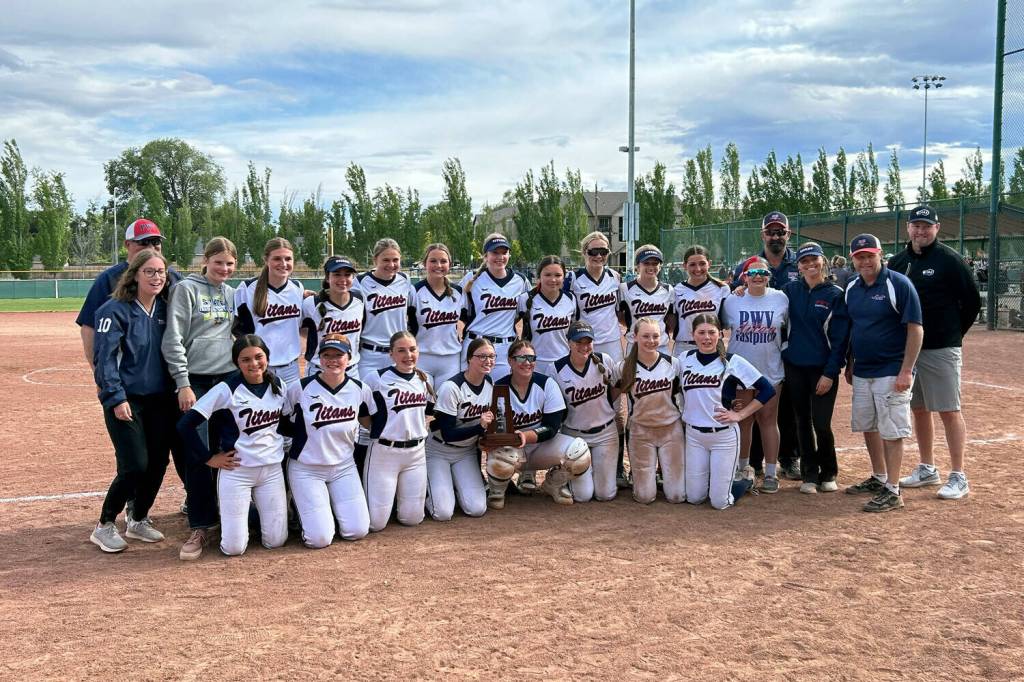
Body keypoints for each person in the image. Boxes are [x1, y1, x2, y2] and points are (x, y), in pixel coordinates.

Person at [78, 218, 185, 515]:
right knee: (133, 460)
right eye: (143, 243)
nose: (150, 247)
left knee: (159, 457)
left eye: (155, 243)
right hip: (126, 388)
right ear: (128, 246)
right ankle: (111, 519)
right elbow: (91, 329)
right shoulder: (109, 284)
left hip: (162, 389)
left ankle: (139, 514)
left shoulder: (171, 280)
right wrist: (104, 380)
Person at [888, 206, 982, 500]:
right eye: (916, 225)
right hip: (909, 351)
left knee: (949, 410)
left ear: (937, 229)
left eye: (927, 226)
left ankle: (959, 475)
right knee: (919, 409)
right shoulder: (898, 261)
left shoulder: (950, 260)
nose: (921, 231)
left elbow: (971, 302)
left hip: (941, 347)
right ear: (908, 228)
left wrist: (952, 334)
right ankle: (927, 468)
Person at [89, 250, 177, 553]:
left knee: (157, 463)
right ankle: (104, 524)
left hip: (160, 399)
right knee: (134, 465)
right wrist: (115, 397)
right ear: (135, 275)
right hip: (126, 400)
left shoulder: (166, 309)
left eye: (161, 272)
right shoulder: (114, 310)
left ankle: (138, 518)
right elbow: (105, 360)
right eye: (150, 272)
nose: (157, 277)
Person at [161, 236, 239, 560]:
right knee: (198, 451)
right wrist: (183, 383)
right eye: (218, 262)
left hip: (228, 379)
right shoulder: (187, 289)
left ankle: (228, 516)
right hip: (197, 380)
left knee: (229, 449)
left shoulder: (233, 294)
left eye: (229, 263)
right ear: (205, 261)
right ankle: (201, 524)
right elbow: (174, 338)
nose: (224, 268)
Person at [177, 335, 290, 555]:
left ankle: (250, 513)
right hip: (237, 470)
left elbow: (283, 425)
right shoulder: (226, 389)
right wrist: (209, 458)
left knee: (276, 541)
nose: (254, 364)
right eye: (245, 359)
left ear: (267, 356)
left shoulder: (278, 385)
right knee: (233, 548)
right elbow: (185, 425)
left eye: (259, 357)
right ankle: (232, 513)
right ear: (236, 363)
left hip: (271, 470)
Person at [843, 234, 923, 512]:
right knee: (869, 425)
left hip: (891, 369)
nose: (865, 261)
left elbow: (915, 328)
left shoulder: (898, 284)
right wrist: (851, 363)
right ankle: (879, 476)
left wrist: (906, 370)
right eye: (859, 256)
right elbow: (854, 328)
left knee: (891, 430)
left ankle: (893, 488)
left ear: (880, 255)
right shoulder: (851, 287)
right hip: (863, 370)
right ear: (853, 260)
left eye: (869, 255)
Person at [730, 211, 800, 480]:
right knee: (747, 417)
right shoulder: (740, 282)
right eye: (771, 232)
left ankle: (788, 459)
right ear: (763, 235)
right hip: (746, 362)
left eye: (780, 232)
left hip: (780, 354)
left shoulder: (793, 270)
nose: (776, 236)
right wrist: (737, 289)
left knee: (783, 413)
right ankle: (751, 464)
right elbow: (729, 306)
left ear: (787, 234)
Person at [680, 313, 775, 509]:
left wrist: (740, 415)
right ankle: (715, 483)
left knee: (719, 502)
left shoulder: (733, 361)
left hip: (723, 436)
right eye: (701, 332)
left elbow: (767, 389)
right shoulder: (683, 359)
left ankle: (745, 480)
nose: (707, 337)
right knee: (694, 497)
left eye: (712, 332)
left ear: (720, 334)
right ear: (693, 334)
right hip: (694, 435)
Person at [285, 334, 371, 547]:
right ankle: (302, 508)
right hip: (307, 468)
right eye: (327, 355)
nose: (332, 360)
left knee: (357, 530)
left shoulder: (360, 389)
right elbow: (281, 423)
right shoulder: (300, 388)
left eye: (338, 355)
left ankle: (324, 510)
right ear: (319, 359)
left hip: (344, 466)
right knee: (319, 539)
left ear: (349, 358)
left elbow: (370, 423)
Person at [485, 339, 592, 509]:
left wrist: (525, 436)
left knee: (579, 450)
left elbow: (552, 426)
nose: (527, 363)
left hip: (542, 447)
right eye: (521, 359)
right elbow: (494, 429)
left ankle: (553, 483)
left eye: (531, 358)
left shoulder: (546, 384)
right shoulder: (499, 388)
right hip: (513, 450)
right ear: (510, 361)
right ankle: (497, 489)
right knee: (500, 456)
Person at [781, 243, 850, 494]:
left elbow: (841, 339)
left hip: (822, 370)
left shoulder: (835, 294)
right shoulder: (789, 291)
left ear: (823, 262)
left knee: (821, 422)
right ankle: (809, 474)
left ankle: (828, 471)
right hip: (795, 367)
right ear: (798, 265)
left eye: (814, 260)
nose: (810, 265)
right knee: (802, 421)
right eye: (804, 261)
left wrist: (830, 373)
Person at [564, 231, 626, 488]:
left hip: (611, 343)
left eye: (604, 252)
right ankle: (571, 461)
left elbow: (621, 313)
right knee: (578, 397)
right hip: (584, 343)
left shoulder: (615, 277)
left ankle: (618, 465)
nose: (599, 256)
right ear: (584, 253)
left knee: (615, 403)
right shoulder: (574, 279)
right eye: (593, 252)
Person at [721, 257, 788, 493]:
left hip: (770, 368)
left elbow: (787, 329)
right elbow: (719, 327)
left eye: (763, 272)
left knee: (769, 420)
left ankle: (771, 473)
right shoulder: (732, 301)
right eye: (752, 273)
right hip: (740, 371)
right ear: (744, 277)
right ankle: (743, 469)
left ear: (769, 275)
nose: (758, 276)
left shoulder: (780, 298)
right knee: (743, 421)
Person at [362, 331, 432, 532]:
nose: (408, 355)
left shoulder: (423, 378)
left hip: (415, 454)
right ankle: (384, 503)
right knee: (376, 524)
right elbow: (362, 412)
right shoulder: (376, 378)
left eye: (412, 349)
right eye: (401, 351)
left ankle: (395, 502)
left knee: (412, 519)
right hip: (385, 453)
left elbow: (426, 413)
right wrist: (379, 431)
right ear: (391, 354)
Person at [617, 318, 685, 504]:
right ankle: (647, 480)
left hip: (670, 429)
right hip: (640, 432)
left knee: (677, 497)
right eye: (645, 336)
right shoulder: (623, 367)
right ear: (634, 337)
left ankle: (664, 476)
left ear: (662, 337)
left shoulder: (673, 364)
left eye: (655, 336)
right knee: (644, 497)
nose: (651, 340)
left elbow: (685, 396)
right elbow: (612, 395)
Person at [425, 338, 495, 521]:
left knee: (477, 508)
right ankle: (427, 491)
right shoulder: (451, 387)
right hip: (438, 450)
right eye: (482, 356)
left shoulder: (489, 383)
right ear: (469, 359)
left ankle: (453, 485)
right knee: (443, 513)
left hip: (466, 453)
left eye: (491, 356)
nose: (487, 361)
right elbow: (448, 434)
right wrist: (479, 428)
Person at [553, 321, 620, 501]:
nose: (584, 346)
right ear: (569, 343)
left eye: (588, 342)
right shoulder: (556, 369)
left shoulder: (604, 360)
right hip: (574, 436)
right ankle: (558, 476)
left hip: (605, 434)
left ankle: (587, 472)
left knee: (605, 495)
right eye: (578, 342)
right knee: (583, 496)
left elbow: (615, 389)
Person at [234, 237, 305, 386]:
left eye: (288, 259)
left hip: (291, 368)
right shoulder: (247, 288)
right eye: (277, 259)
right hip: (259, 368)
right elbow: (237, 330)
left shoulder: (297, 288)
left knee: (291, 409)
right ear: (266, 260)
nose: (283, 264)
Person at [462, 233, 529, 380]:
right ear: (485, 255)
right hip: (475, 344)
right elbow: (460, 311)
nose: (500, 257)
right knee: (470, 395)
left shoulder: (520, 280)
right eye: (495, 252)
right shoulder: (472, 278)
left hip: (505, 348)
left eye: (504, 252)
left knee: (501, 396)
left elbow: (524, 313)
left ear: (509, 255)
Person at [353, 239, 413, 381]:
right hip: (370, 355)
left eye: (395, 260)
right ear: (375, 260)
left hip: (399, 353)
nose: (391, 265)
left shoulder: (405, 280)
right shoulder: (360, 282)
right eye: (386, 260)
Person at [408, 243, 464, 388]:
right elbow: (407, 325)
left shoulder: (458, 292)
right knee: (423, 406)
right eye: (433, 261)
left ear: (450, 264)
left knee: (445, 407)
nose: (438, 265)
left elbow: (468, 317)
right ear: (424, 263)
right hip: (422, 357)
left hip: (450, 359)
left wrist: (460, 333)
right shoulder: (415, 291)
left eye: (443, 261)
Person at [302, 255, 364, 378]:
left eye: (347, 274)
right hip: (319, 371)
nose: (343, 279)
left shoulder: (359, 299)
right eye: (337, 274)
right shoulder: (311, 303)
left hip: (351, 371)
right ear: (327, 277)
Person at [519, 255, 579, 379]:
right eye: (547, 275)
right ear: (539, 276)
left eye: (558, 275)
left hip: (564, 362)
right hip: (535, 363)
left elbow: (573, 331)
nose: (553, 280)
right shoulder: (526, 298)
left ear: (564, 277)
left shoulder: (570, 298)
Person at [672, 244, 730, 359]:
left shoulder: (722, 289)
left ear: (710, 263)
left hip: (713, 345)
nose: (698, 269)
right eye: (692, 264)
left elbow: (726, 322)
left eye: (702, 263)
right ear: (684, 266)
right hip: (685, 347)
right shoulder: (676, 290)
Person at [619, 245, 676, 354]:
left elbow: (671, 319)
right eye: (646, 263)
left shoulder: (669, 290)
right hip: (635, 346)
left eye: (655, 263)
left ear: (660, 266)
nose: (651, 267)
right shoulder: (625, 289)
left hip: (661, 347)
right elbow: (620, 316)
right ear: (637, 266)